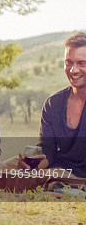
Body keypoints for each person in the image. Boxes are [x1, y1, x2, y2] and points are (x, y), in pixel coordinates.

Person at [23, 32, 86, 176]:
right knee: (2, 167)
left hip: (74, 177)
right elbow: (48, 149)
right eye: (68, 62)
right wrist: (33, 165)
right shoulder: (53, 104)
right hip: (57, 170)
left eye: (81, 63)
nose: (73, 70)